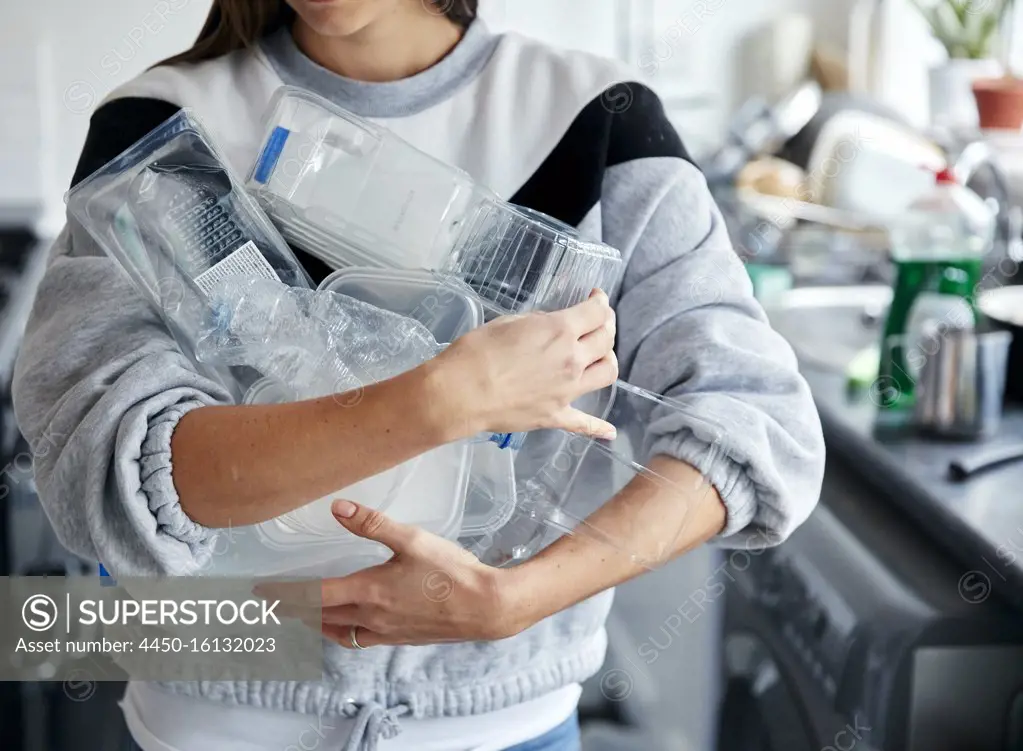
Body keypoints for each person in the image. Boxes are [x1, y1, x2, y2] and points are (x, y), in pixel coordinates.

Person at [12, 1, 826, 749]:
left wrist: (520, 599)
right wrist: (438, 400)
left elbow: (749, 420)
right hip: (218, 719)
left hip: (507, 727)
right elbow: (107, 474)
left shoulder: (597, 120)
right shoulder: (155, 132)